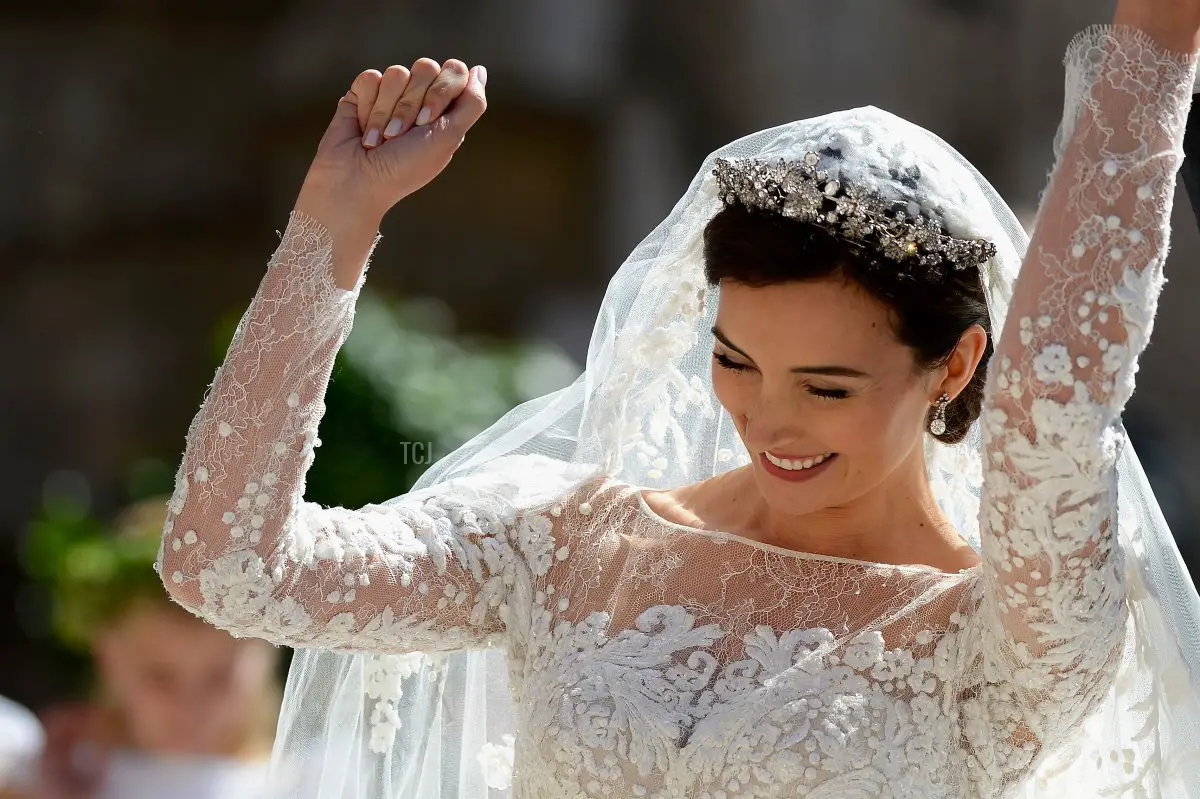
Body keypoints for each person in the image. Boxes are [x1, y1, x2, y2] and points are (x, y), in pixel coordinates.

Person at [157, 0, 1200, 795]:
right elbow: (231, 568)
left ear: (960, 366)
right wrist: (336, 220)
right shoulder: (563, 539)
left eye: (827, 385)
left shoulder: (1004, 640)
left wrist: (1154, 45)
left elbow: (1054, 403)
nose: (769, 419)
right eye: (736, 360)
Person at [16, 498, 281, 799]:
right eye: (160, 678)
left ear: (266, 655)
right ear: (107, 656)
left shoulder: (306, 781)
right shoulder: (35, 773)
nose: (189, 707)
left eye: (220, 678)